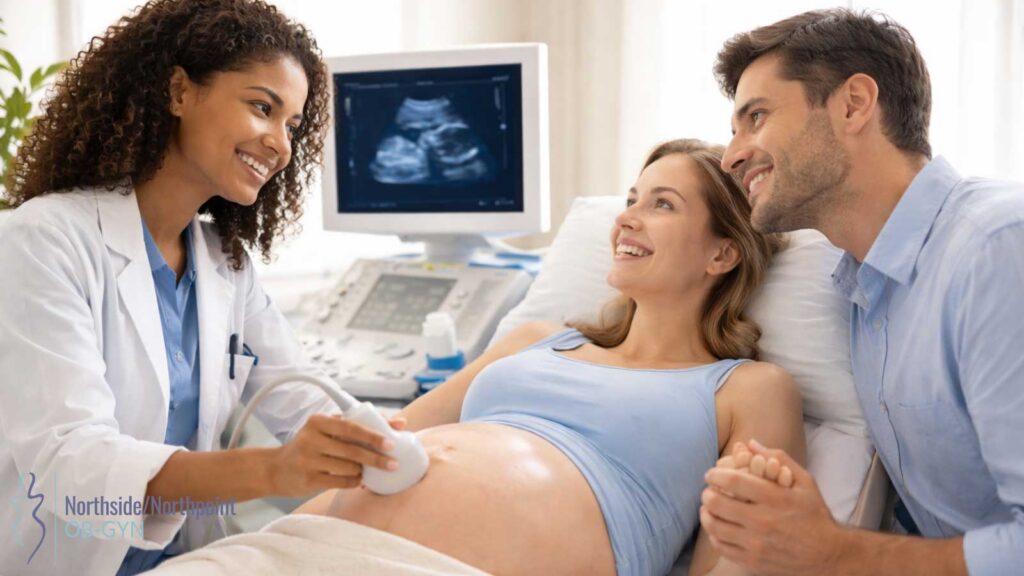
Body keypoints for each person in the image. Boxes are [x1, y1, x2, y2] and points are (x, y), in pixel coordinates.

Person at [270, 138, 805, 576]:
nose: (627, 220)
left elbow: (737, 559)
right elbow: (386, 436)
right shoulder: (535, 339)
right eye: (631, 200)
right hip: (307, 545)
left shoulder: (747, 387)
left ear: (722, 253)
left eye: (662, 204)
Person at [0, 1, 403, 574]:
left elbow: (306, 397)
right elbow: (73, 467)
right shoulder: (42, 241)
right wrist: (272, 470)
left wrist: (380, 442)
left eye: (291, 125)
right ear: (179, 92)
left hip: (185, 559)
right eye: (262, 108)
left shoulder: (224, 263)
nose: (281, 145)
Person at [700, 8, 1024, 576]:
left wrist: (831, 551)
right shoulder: (858, 288)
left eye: (756, 116)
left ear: (853, 104)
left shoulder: (996, 251)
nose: (731, 156)